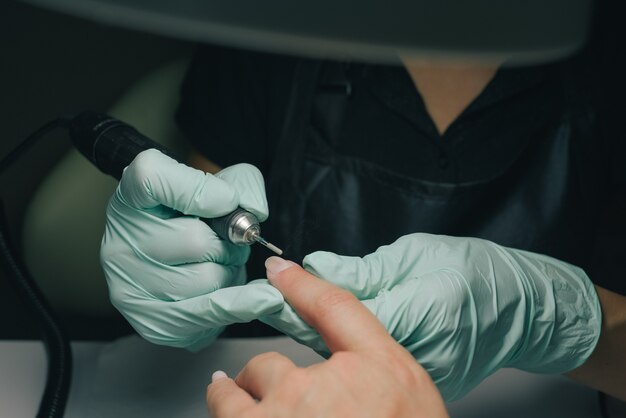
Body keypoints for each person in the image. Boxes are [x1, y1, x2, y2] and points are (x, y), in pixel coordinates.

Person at [98, 1, 626, 413]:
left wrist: (557, 317)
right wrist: (175, 270)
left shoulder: (604, 46)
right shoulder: (268, 29)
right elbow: (201, 214)